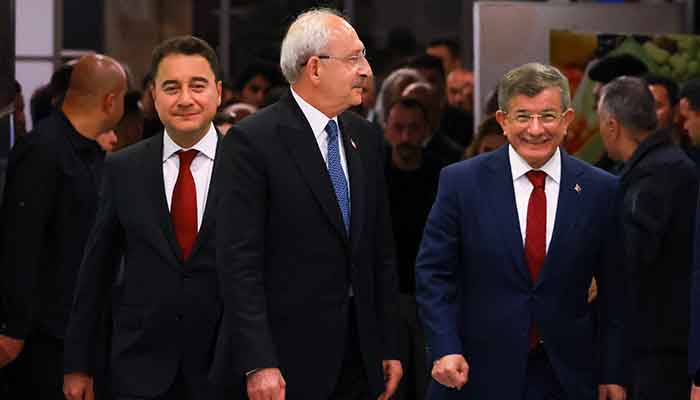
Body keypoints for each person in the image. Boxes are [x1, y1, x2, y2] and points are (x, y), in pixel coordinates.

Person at [215, 8, 402, 400]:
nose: (366, 70)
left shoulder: (366, 139)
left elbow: (379, 251)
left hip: (360, 354)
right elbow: (239, 262)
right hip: (285, 359)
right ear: (314, 68)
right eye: (353, 58)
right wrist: (259, 360)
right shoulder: (253, 142)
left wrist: (388, 342)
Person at [415, 62, 625, 399]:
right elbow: (434, 274)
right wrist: (444, 347)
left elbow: (617, 292)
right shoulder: (461, 182)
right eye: (523, 116)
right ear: (503, 121)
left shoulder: (602, 190)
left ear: (568, 120)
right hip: (475, 374)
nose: (536, 129)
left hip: (567, 378)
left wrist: (613, 372)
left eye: (548, 116)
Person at [62, 36, 239, 400]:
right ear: (153, 96)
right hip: (139, 369)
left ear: (218, 93)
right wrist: (78, 365)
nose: (185, 99)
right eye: (171, 88)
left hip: (227, 369)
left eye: (198, 86)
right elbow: (96, 273)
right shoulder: (123, 168)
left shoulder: (249, 168)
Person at [0, 53, 127, 399]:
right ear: (110, 101)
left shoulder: (92, 154)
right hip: (45, 335)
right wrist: (14, 328)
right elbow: (20, 242)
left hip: (84, 329)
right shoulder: (43, 150)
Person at [598, 76, 698, 399]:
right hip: (661, 345)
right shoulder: (666, 165)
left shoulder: (656, 174)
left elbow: (632, 253)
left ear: (612, 125)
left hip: (658, 351)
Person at [384, 97, 441, 400]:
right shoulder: (372, 175)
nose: (405, 137)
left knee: (429, 379)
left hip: (429, 295)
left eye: (413, 129)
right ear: (386, 129)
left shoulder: (441, 176)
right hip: (387, 294)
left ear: (426, 131)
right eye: (398, 128)